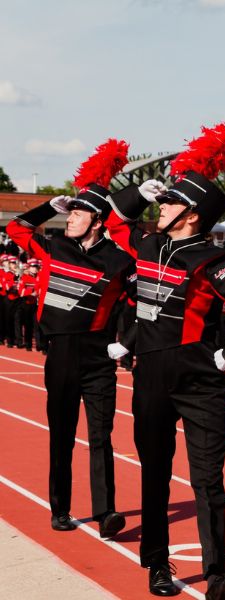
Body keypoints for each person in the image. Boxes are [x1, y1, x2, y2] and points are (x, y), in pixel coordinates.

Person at [106, 123, 225, 599]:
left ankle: (217, 572)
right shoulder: (146, 244)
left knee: (207, 481)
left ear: (193, 215)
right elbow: (114, 219)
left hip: (200, 382)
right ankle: (157, 564)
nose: (163, 207)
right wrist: (140, 191)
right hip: (150, 380)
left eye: (171, 202)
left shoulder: (209, 257)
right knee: (155, 474)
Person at [6, 139, 133, 538]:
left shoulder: (119, 260)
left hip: (98, 356)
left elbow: (146, 303)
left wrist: (125, 340)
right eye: (71, 210)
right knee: (61, 434)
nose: (72, 216)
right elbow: (14, 227)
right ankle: (59, 508)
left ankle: (105, 511)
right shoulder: (55, 245)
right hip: (59, 354)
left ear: (97, 220)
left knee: (101, 436)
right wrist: (48, 207)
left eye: (79, 212)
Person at [15, 259, 38, 350]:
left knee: (36, 325)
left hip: (35, 304)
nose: (34, 269)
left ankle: (40, 345)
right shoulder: (24, 278)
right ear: (29, 268)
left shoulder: (38, 277)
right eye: (33, 267)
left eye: (36, 267)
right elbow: (20, 291)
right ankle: (28, 344)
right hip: (26, 304)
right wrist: (31, 291)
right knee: (28, 325)